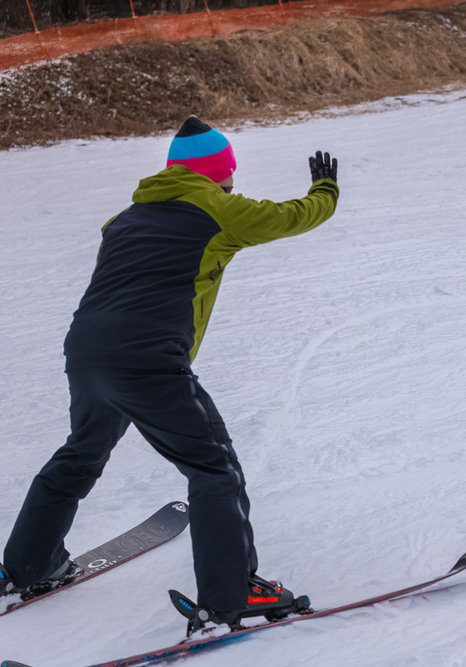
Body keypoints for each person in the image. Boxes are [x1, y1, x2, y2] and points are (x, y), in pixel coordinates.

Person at [0, 116, 339, 630]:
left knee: (81, 454)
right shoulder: (219, 208)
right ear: (218, 174)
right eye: (229, 174)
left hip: (87, 352)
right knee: (213, 467)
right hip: (149, 360)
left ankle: (26, 567)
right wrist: (326, 190)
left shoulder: (124, 219)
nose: (233, 183)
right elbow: (290, 217)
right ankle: (231, 595)